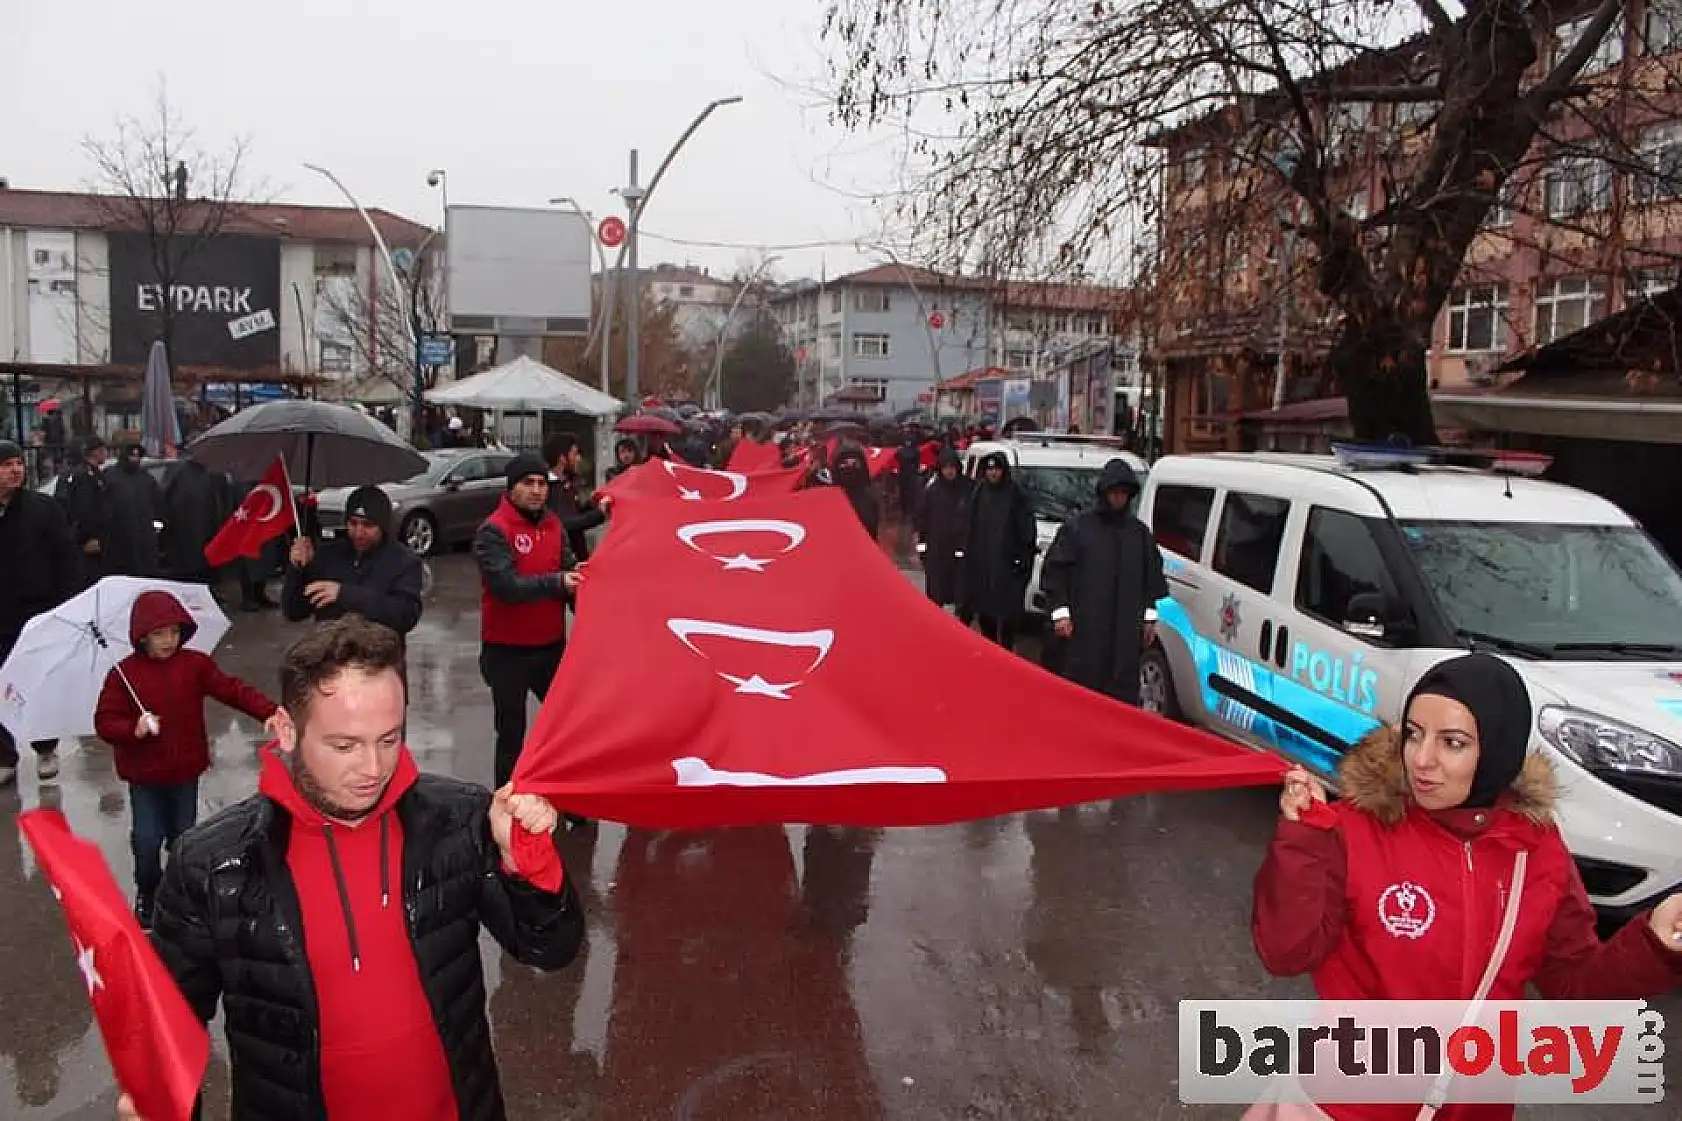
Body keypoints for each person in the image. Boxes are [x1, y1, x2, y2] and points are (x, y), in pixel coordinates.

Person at [121, 617, 584, 1121]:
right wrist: (156, 1101)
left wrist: (529, 867)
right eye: (344, 746)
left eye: (389, 739)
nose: (373, 769)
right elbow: (171, 1025)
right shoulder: (213, 864)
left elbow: (551, 949)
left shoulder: (459, 820)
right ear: (286, 730)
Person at [1252, 653, 1682, 1121]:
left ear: (1496, 750)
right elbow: (1285, 953)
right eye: (1413, 734)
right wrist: (1301, 844)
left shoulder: (1535, 849)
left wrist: (1653, 944)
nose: (1422, 759)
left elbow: (1575, 986)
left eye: (1452, 743)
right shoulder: (1356, 829)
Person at [92, 589, 277, 926]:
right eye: (159, 634)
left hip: (184, 771)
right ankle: (148, 891)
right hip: (144, 776)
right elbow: (105, 721)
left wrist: (268, 711)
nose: (168, 641)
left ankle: (179, 893)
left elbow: (231, 689)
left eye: (174, 632)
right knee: (146, 840)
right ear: (142, 636)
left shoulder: (194, 665)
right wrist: (132, 728)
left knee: (183, 837)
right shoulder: (123, 675)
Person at [475, 455, 583, 789]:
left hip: (550, 648)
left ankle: (569, 798)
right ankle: (506, 801)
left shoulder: (554, 525)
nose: (537, 491)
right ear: (512, 488)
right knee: (511, 733)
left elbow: (568, 570)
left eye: (542, 484)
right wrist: (558, 582)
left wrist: (587, 594)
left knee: (567, 727)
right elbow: (507, 587)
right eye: (528, 483)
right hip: (507, 652)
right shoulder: (493, 530)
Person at [1039, 458, 1167, 705]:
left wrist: (1149, 618)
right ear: (1104, 492)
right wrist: (1060, 613)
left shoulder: (1139, 535)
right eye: (1114, 492)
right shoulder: (1078, 529)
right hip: (1086, 629)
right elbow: (1055, 573)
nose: (1118, 498)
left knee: (1120, 693)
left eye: (1124, 493)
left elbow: (1151, 581)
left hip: (1125, 633)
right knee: (1083, 691)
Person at [0, 440, 78, 785]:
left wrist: (64, 605)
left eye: (18, 463)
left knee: (40, 684)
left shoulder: (43, 509)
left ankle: (46, 747)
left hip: (37, 613)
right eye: (6, 464)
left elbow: (66, 558)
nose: (15, 470)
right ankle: (4, 755)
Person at [283, 485, 424, 637]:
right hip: (330, 648)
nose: (359, 533)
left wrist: (344, 594)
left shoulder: (404, 561)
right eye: (353, 523)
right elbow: (294, 611)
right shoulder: (328, 554)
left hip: (380, 650)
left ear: (383, 526)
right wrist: (297, 569)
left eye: (368, 525)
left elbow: (405, 616)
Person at [959, 451, 1036, 650]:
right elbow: (969, 525)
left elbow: (1026, 529)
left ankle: (1006, 649)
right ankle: (990, 647)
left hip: (1007, 566)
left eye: (996, 469)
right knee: (985, 613)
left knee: (1007, 615)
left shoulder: (1016, 495)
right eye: (989, 469)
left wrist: (1022, 558)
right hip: (983, 564)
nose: (993, 473)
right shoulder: (979, 492)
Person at [914, 449, 973, 610]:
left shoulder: (968, 489)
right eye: (945, 467)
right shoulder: (932, 492)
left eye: (952, 467)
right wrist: (923, 550)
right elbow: (921, 521)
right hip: (937, 552)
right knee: (936, 594)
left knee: (962, 595)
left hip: (961, 552)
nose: (949, 471)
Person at [55, 435, 111, 587]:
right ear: (96, 452)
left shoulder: (90, 473)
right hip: (88, 543)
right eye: (104, 450)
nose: (106, 454)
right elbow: (84, 510)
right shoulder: (85, 475)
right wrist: (88, 538)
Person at [542, 432, 607, 563]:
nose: (578, 459)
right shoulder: (547, 488)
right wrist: (598, 514)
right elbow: (564, 524)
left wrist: (591, 505)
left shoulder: (566, 484)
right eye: (575, 454)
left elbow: (574, 514)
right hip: (562, 562)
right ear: (562, 458)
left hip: (577, 557)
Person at [103, 443, 164, 577]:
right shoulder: (110, 475)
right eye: (132, 456)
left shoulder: (146, 478)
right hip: (119, 539)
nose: (135, 459)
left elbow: (158, 504)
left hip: (144, 540)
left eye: (138, 456)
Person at [829, 442, 881, 540]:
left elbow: (872, 533)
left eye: (854, 463)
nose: (849, 467)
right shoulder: (829, 500)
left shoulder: (870, 499)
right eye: (844, 464)